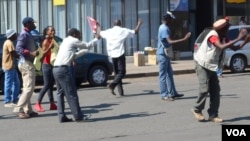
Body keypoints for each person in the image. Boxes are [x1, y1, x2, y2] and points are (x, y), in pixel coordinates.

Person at [192, 18, 250, 123]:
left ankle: (213, 115)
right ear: (221, 29)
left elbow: (235, 48)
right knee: (204, 88)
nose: (227, 31)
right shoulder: (213, 35)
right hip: (202, 63)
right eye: (226, 29)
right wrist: (239, 37)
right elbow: (221, 46)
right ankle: (197, 109)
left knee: (215, 90)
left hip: (211, 65)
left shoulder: (223, 37)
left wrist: (245, 41)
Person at [52, 28, 99, 123]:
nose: (80, 36)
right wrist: (96, 38)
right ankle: (78, 116)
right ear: (74, 34)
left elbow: (73, 56)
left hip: (56, 69)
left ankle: (61, 116)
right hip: (63, 69)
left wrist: (85, 51)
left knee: (60, 93)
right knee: (71, 93)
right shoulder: (73, 40)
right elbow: (88, 45)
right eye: (79, 34)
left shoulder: (65, 41)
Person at [97, 19, 142, 96]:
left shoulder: (108, 31)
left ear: (114, 24)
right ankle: (112, 85)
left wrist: (98, 26)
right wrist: (139, 24)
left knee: (117, 73)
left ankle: (120, 92)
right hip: (120, 54)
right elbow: (135, 32)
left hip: (111, 55)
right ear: (120, 24)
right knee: (122, 72)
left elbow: (99, 34)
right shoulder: (123, 30)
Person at [156, 11, 191, 101]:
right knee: (163, 75)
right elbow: (170, 41)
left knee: (169, 74)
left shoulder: (163, 26)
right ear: (167, 19)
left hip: (165, 54)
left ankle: (172, 93)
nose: (172, 21)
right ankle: (164, 95)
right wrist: (184, 39)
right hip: (163, 54)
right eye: (171, 19)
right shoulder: (164, 28)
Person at [13, 17, 39, 119]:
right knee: (29, 88)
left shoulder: (28, 34)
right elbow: (18, 48)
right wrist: (31, 52)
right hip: (26, 63)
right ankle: (18, 109)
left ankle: (28, 110)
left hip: (26, 63)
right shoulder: (24, 34)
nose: (34, 24)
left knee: (26, 88)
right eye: (33, 23)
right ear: (28, 24)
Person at [34, 26, 58, 112]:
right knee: (47, 85)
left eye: (54, 30)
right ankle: (37, 103)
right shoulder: (45, 41)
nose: (53, 32)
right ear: (47, 32)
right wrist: (49, 47)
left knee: (51, 85)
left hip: (51, 65)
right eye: (51, 31)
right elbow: (43, 54)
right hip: (46, 65)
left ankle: (52, 104)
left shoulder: (52, 40)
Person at [2, 29, 20, 108]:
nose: (16, 35)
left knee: (16, 83)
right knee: (8, 84)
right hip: (9, 66)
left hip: (12, 66)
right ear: (11, 35)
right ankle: (7, 101)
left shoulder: (9, 42)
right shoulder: (9, 43)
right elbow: (14, 53)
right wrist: (21, 56)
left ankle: (15, 99)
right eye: (15, 34)